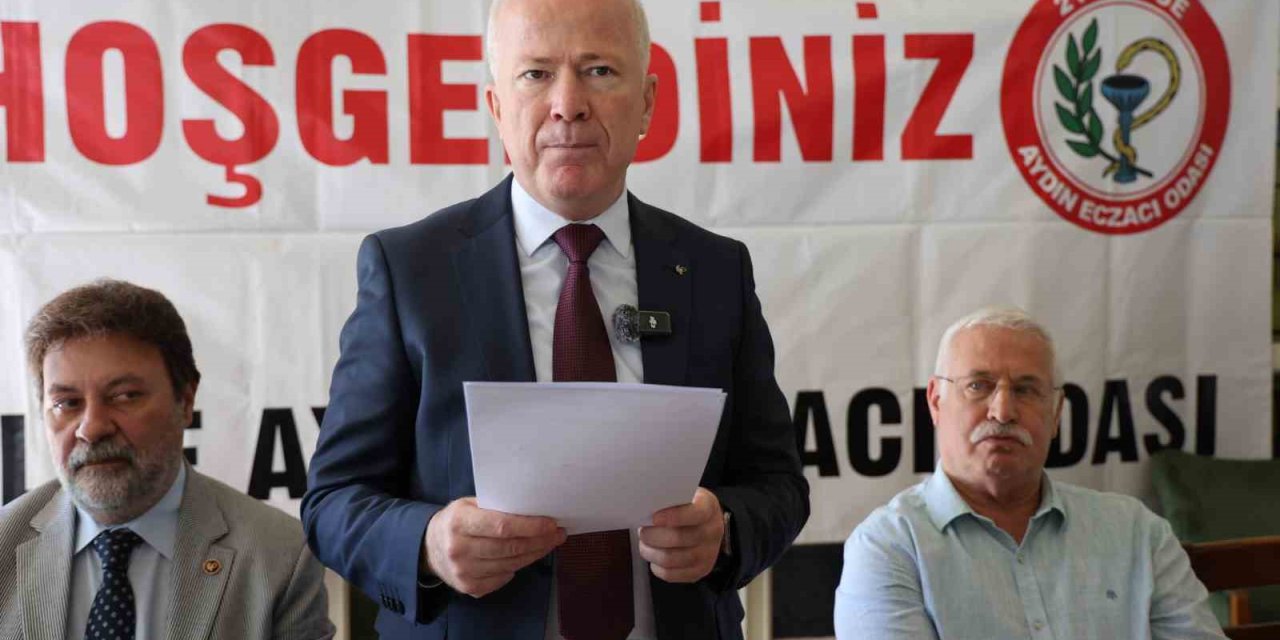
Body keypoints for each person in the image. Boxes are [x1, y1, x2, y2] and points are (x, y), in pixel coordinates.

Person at [300, 0, 808, 638]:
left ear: (647, 103)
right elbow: (333, 501)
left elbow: (777, 485)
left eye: (599, 70)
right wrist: (427, 542)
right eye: (536, 74)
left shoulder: (713, 270)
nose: (568, 104)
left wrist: (725, 531)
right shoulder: (410, 270)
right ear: (496, 106)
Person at [834, 306, 1225, 639]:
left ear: (1056, 413)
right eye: (978, 386)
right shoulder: (889, 547)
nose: (1003, 411)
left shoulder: (1138, 534)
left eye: (1025, 389)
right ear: (936, 401)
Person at [0, 279, 334, 640]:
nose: (92, 428)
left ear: (185, 402)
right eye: (67, 403)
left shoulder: (278, 556)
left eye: (124, 396)